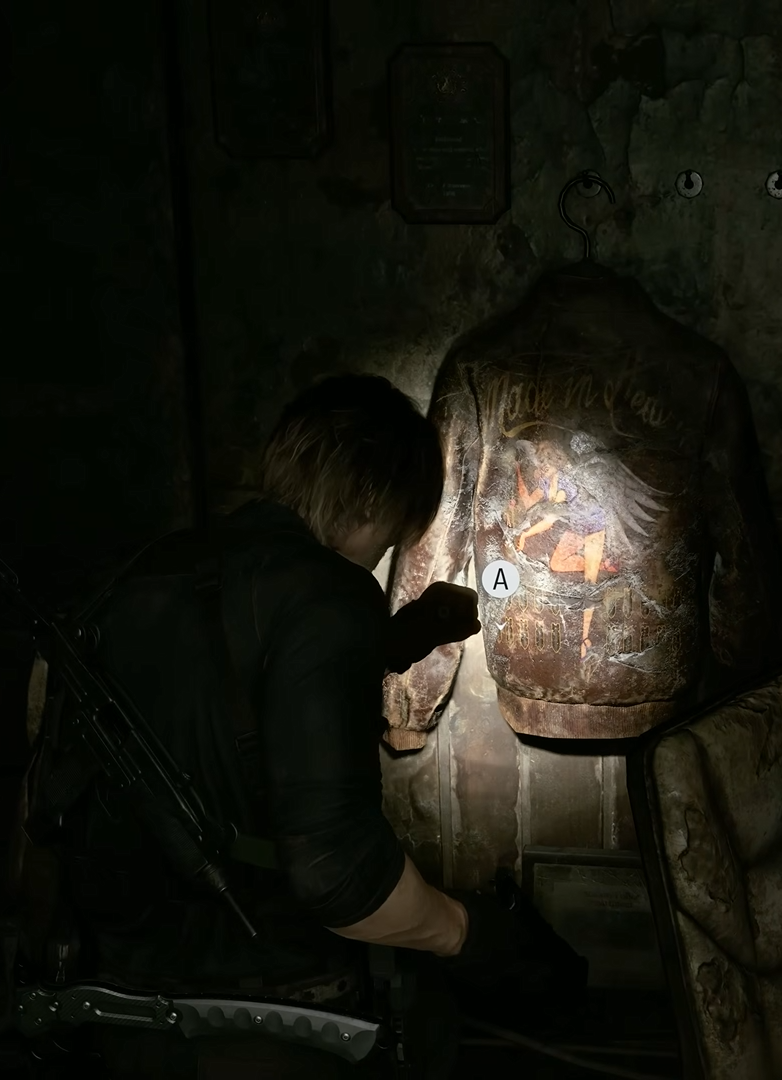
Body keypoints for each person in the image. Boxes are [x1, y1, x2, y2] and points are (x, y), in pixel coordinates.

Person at [38, 374, 578, 1078]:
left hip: (118, 989)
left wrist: (406, 635)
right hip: (261, 1011)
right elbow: (338, 877)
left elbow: (226, 688)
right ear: (373, 498)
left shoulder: (146, 571)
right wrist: (469, 933)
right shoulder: (329, 592)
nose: (381, 553)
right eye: (391, 534)